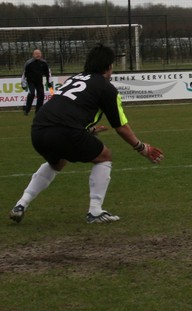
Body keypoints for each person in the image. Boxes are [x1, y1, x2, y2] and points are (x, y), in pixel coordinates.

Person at [9, 44, 164, 225]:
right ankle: (95, 211)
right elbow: (121, 127)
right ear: (108, 67)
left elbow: (65, 108)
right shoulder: (106, 88)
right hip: (64, 130)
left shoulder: (74, 78)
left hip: (38, 129)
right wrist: (141, 147)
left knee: (57, 162)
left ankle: (21, 204)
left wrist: (88, 130)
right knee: (104, 156)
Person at [21, 48, 53, 116]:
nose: (38, 55)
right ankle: (27, 110)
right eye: (36, 54)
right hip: (30, 82)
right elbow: (24, 74)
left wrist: (49, 83)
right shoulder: (28, 63)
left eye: (39, 53)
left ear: (41, 54)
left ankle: (38, 111)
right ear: (33, 55)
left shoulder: (44, 63)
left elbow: (48, 74)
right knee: (32, 94)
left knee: (41, 95)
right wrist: (23, 84)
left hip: (39, 82)